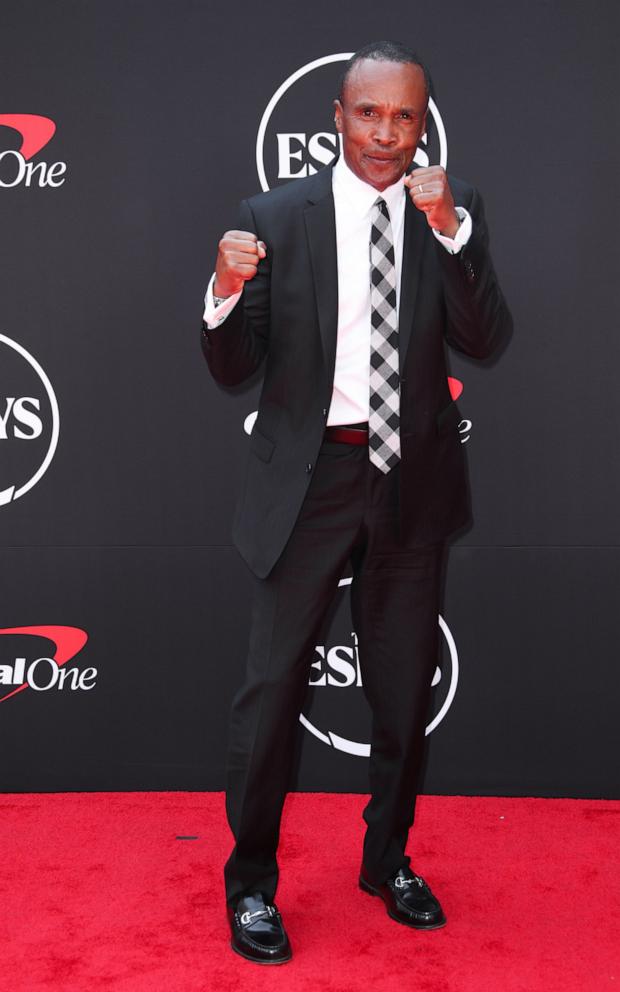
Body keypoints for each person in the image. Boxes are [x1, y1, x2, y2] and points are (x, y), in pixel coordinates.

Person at [201, 40, 512, 965]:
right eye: (369, 113)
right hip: (310, 484)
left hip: (411, 482)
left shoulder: (444, 211)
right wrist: (223, 289)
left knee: (402, 697)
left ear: (423, 124)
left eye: (404, 117)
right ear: (336, 117)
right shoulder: (274, 216)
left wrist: (452, 230)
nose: (386, 133)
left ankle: (388, 863)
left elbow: (483, 336)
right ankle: (251, 885)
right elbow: (233, 367)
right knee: (269, 696)